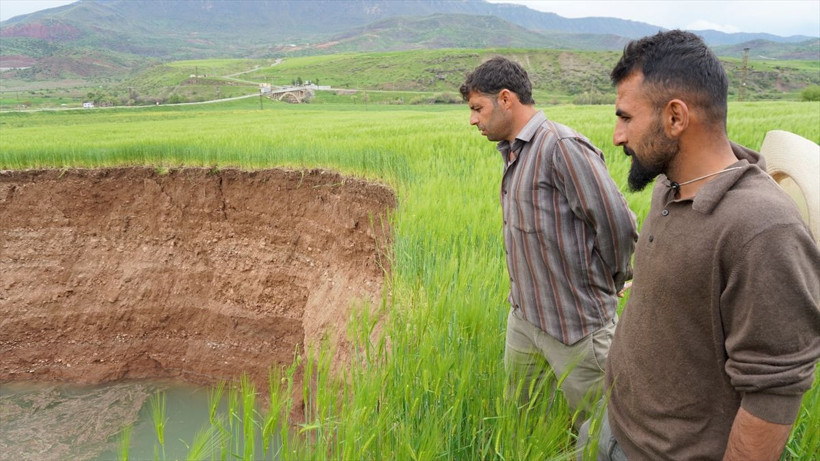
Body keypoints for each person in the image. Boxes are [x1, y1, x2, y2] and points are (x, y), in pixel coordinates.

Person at [578, 30, 820, 460]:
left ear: (675, 117)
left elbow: (772, 396)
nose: (616, 136)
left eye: (626, 118)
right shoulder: (670, 185)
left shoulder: (761, 230)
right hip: (614, 423)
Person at [459, 57, 638, 418]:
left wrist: (615, 277)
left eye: (478, 108)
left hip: (577, 328)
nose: (473, 119)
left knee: (601, 432)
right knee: (525, 423)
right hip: (525, 319)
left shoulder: (561, 146)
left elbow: (616, 221)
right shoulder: (514, 151)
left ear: (506, 99)